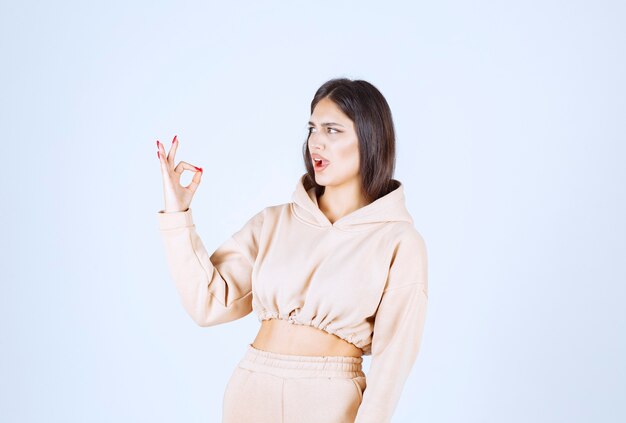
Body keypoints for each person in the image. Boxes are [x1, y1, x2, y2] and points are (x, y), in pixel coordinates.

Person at [155, 77, 429, 423]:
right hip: (250, 393)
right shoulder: (274, 222)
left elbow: (393, 363)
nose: (317, 142)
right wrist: (177, 216)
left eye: (333, 130)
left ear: (371, 139)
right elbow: (208, 302)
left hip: (330, 405)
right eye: (312, 129)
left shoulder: (399, 243)